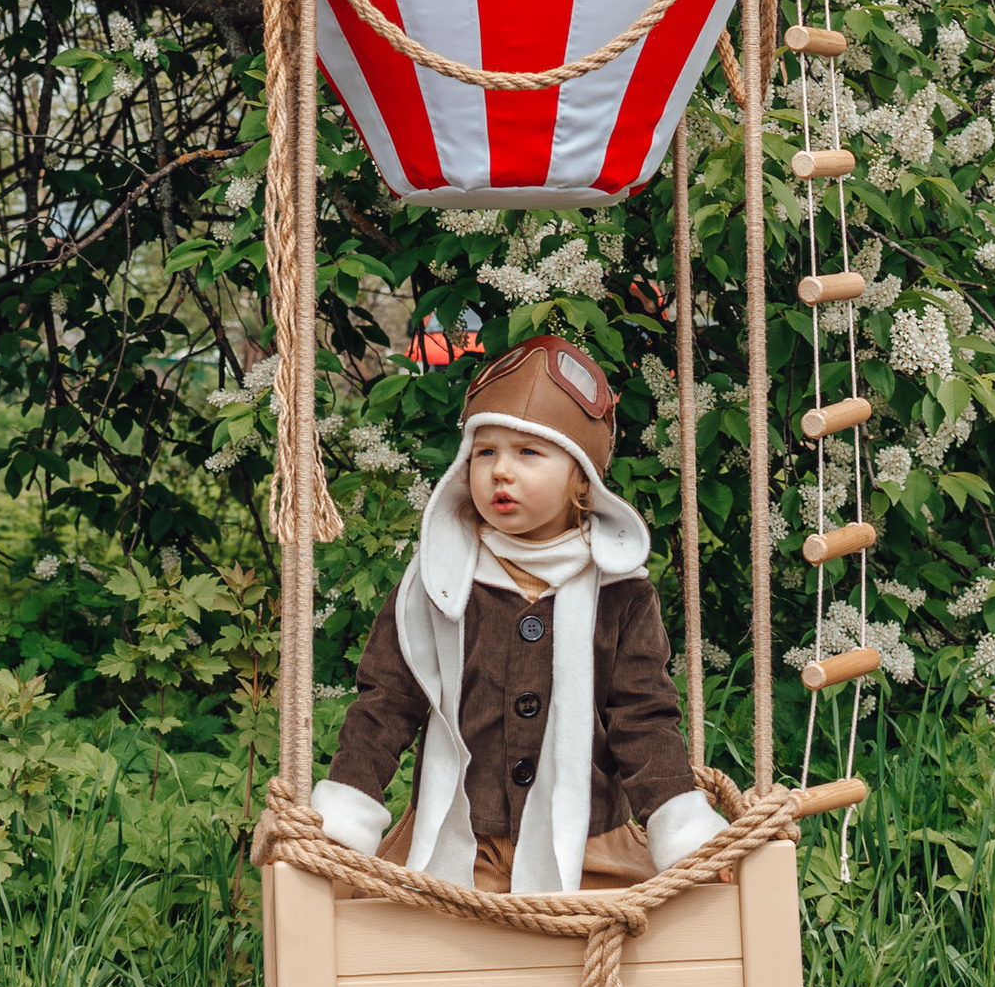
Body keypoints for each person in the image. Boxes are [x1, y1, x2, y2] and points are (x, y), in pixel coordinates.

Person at [303, 333, 728, 893]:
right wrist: (345, 814)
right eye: (485, 452)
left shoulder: (618, 591)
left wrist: (683, 833)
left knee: (660, 922)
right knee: (403, 928)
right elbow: (386, 705)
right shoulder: (441, 578)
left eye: (528, 452)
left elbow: (643, 719)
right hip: (460, 843)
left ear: (581, 477)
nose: (501, 471)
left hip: (589, 846)